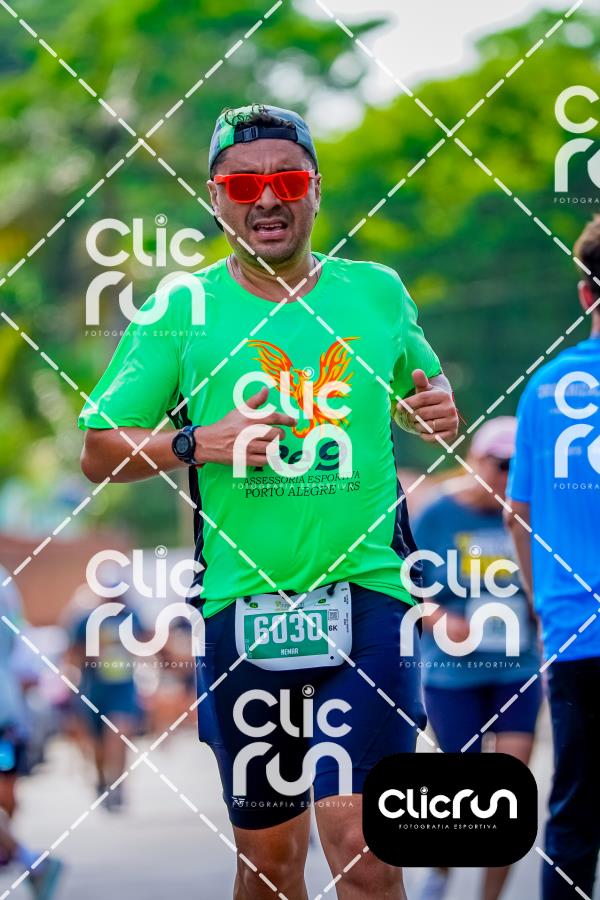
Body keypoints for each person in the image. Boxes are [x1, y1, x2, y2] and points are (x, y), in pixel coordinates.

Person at [78, 103, 459, 899]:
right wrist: (199, 442)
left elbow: (420, 392)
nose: (267, 199)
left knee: (364, 846)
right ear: (215, 198)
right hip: (241, 609)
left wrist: (434, 408)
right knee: (270, 866)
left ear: (315, 189)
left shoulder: (377, 293)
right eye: (242, 184)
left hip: (371, 600)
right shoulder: (179, 310)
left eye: (287, 179)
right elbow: (100, 451)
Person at [506, 215, 600, 900]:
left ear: (585, 293)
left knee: (574, 811)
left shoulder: (545, 386)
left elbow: (519, 513)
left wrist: (543, 606)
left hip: (575, 628)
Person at [412, 418, 541, 900]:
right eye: (501, 464)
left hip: (517, 667)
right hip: (452, 672)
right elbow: (404, 587)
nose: (509, 476)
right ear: (474, 460)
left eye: (519, 466)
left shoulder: (530, 514)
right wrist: (439, 618)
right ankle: (440, 867)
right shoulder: (437, 515)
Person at [0, 568, 64, 898]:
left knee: (7, 790)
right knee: (7, 790)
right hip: (8, 709)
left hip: (6, 712)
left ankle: (26, 859)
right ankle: (24, 858)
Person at [65, 588, 145, 811]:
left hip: (123, 688)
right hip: (94, 689)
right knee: (98, 742)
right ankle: (101, 779)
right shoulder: (85, 620)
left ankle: (117, 785)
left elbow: (145, 642)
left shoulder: (132, 617)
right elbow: (73, 654)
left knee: (119, 734)